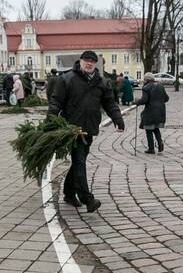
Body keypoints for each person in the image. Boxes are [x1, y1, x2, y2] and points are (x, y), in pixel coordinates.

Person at [48, 50, 125, 214]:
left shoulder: (102, 82)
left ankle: (69, 193)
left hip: (89, 128)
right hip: (72, 129)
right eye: (86, 60)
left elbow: (109, 103)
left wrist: (117, 119)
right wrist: (51, 119)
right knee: (79, 161)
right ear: (80, 61)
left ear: (95, 64)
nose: (89, 63)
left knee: (78, 162)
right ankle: (87, 198)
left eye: (92, 61)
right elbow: (56, 101)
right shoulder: (67, 79)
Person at [136, 73, 168, 153]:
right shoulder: (160, 86)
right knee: (156, 128)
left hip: (150, 111)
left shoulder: (146, 88)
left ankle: (151, 148)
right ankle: (160, 142)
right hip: (160, 111)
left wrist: (137, 102)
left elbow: (144, 100)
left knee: (149, 129)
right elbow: (166, 98)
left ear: (146, 79)